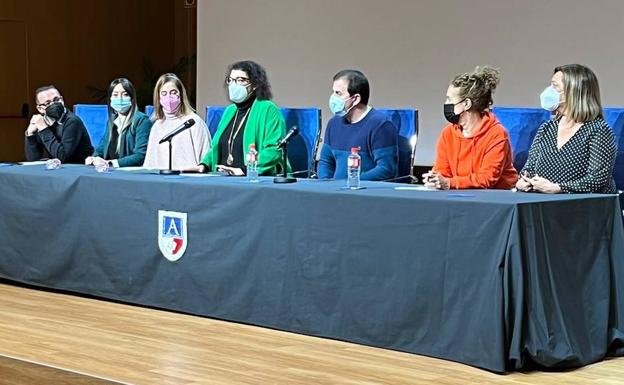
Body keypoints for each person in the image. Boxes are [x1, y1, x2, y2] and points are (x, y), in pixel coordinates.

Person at [516, 64, 616, 194]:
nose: (549, 91)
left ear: (574, 91)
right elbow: (528, 168)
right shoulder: (547, 128)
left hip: (582, 206)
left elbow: (597, 179)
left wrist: (558, 188)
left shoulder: (598, 130)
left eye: (555, 86)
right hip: (544, 202)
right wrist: (523, 181)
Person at [423, 66, 517, 190]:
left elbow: (486, 178)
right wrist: (435, 180)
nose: (446, 104)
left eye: (449, 99)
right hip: (458, 196)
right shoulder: (447, 134)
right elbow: (442, 172)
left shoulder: (497, 134)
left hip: (495, 198)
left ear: (466, 104)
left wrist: (449, 183)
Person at [194, 60, 287, 176]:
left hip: (253, 180)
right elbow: (215, 147)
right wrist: (204, 165)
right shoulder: (230, 111)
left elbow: (274, 150)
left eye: (241, 80)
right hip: (222, 178)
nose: (234, 85)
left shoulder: (268, 109)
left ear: (255, 84)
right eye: (231, 80)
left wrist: (244, 169)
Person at [317, 69, 398, 181]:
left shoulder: (381, 125)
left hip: (364, 193)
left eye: (338, 93)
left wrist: (351, 183)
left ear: (355, 99)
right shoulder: (334, 123)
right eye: (333, 92)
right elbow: (326, 162)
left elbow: (386, 168)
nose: (333, 98)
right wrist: (326, 184)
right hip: (334, 192)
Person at [143, 73, 210, 170]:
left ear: (181, 95)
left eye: (173, 92)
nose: (169, 97)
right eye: (164, 93)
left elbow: (205, 158)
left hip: (188, 179)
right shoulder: (157, 126)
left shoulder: (193, 122)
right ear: (158, 97)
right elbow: (149, 164)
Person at [85, 78, 152, 168]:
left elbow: (140, 156)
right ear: (110, 99)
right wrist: (94, 158)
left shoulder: (142, 120)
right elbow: (102, 147)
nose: (119, 99)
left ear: (132, 98)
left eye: (124, 95)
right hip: (109, 172)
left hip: (130, 175)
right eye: (115, 95)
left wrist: (111, 163)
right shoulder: (111, 121)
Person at [24, 85, 93, 163]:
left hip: (80, 169)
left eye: (56, 100)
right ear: (40, 109)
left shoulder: (72, 122)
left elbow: (62, 157)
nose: (54, 104)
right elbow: (33, 160)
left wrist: (44, 129)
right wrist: (30, 135)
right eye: (48, 103)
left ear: (62, 100)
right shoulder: (43, 121)